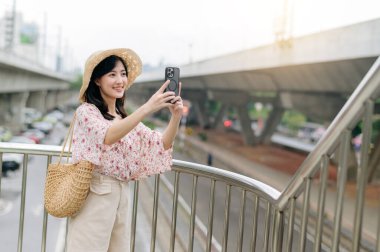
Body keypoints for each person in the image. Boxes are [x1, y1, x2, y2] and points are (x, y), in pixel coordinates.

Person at [66, 48, 183, 252]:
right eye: (112, 74)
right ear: (97, 80)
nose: (120, 80)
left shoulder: (123, 118)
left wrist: (176, 117)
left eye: (123, 74)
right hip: (95, 194)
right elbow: (108, 136)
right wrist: (147, 108)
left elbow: (161, 144)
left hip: (122, 195)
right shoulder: (86, 112)